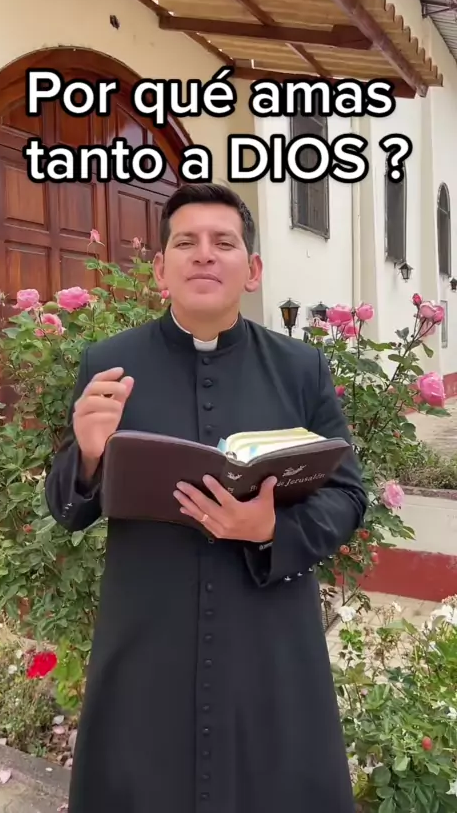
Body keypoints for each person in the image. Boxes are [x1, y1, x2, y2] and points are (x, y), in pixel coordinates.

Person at [45, 183, 367, 813]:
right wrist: (86, 455)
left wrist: (270, 529)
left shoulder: (300, 368)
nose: (204, 254)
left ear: (252, 270)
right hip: (148, 634)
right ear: (160, 270)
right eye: (185, 242)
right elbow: (68, 508)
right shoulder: (108, 364)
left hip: (268, 635)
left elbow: (348, 495)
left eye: (224, 242)